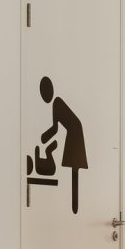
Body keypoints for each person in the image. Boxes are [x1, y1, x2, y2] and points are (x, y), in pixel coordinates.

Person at [39, 77, 87, 214]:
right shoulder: (57, 103)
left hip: (75, 137)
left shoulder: (57, 103)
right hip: (74, 135)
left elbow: (55, 128)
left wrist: (44, 137)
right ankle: (74, 207)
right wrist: (45, 137)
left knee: (74, 171)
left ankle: (74, 207)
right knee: (74, 171)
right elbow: (56, 128)